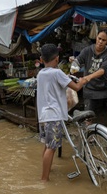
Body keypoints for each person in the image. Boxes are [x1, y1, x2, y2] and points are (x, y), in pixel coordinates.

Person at [36, 43, 88, 182]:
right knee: (52, 148)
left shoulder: (40, 73)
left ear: (41, 59)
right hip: (53, 115)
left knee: (47, 145)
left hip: (43, 116)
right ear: (57, 59)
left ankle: (47, 171)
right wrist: (83, 81)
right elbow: (76, 87)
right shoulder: (57, 73)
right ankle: (44, 179)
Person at [69, 29, 107, 131]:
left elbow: (102, 70)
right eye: (99, 38)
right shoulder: (87, 50)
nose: (100, 41)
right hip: (90, 87)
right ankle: (89, 131)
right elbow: (78, 61)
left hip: (104, 85)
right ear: (96, 37)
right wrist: (74, 62)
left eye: (104, 40)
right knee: (88, 111)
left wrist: (88, 77)